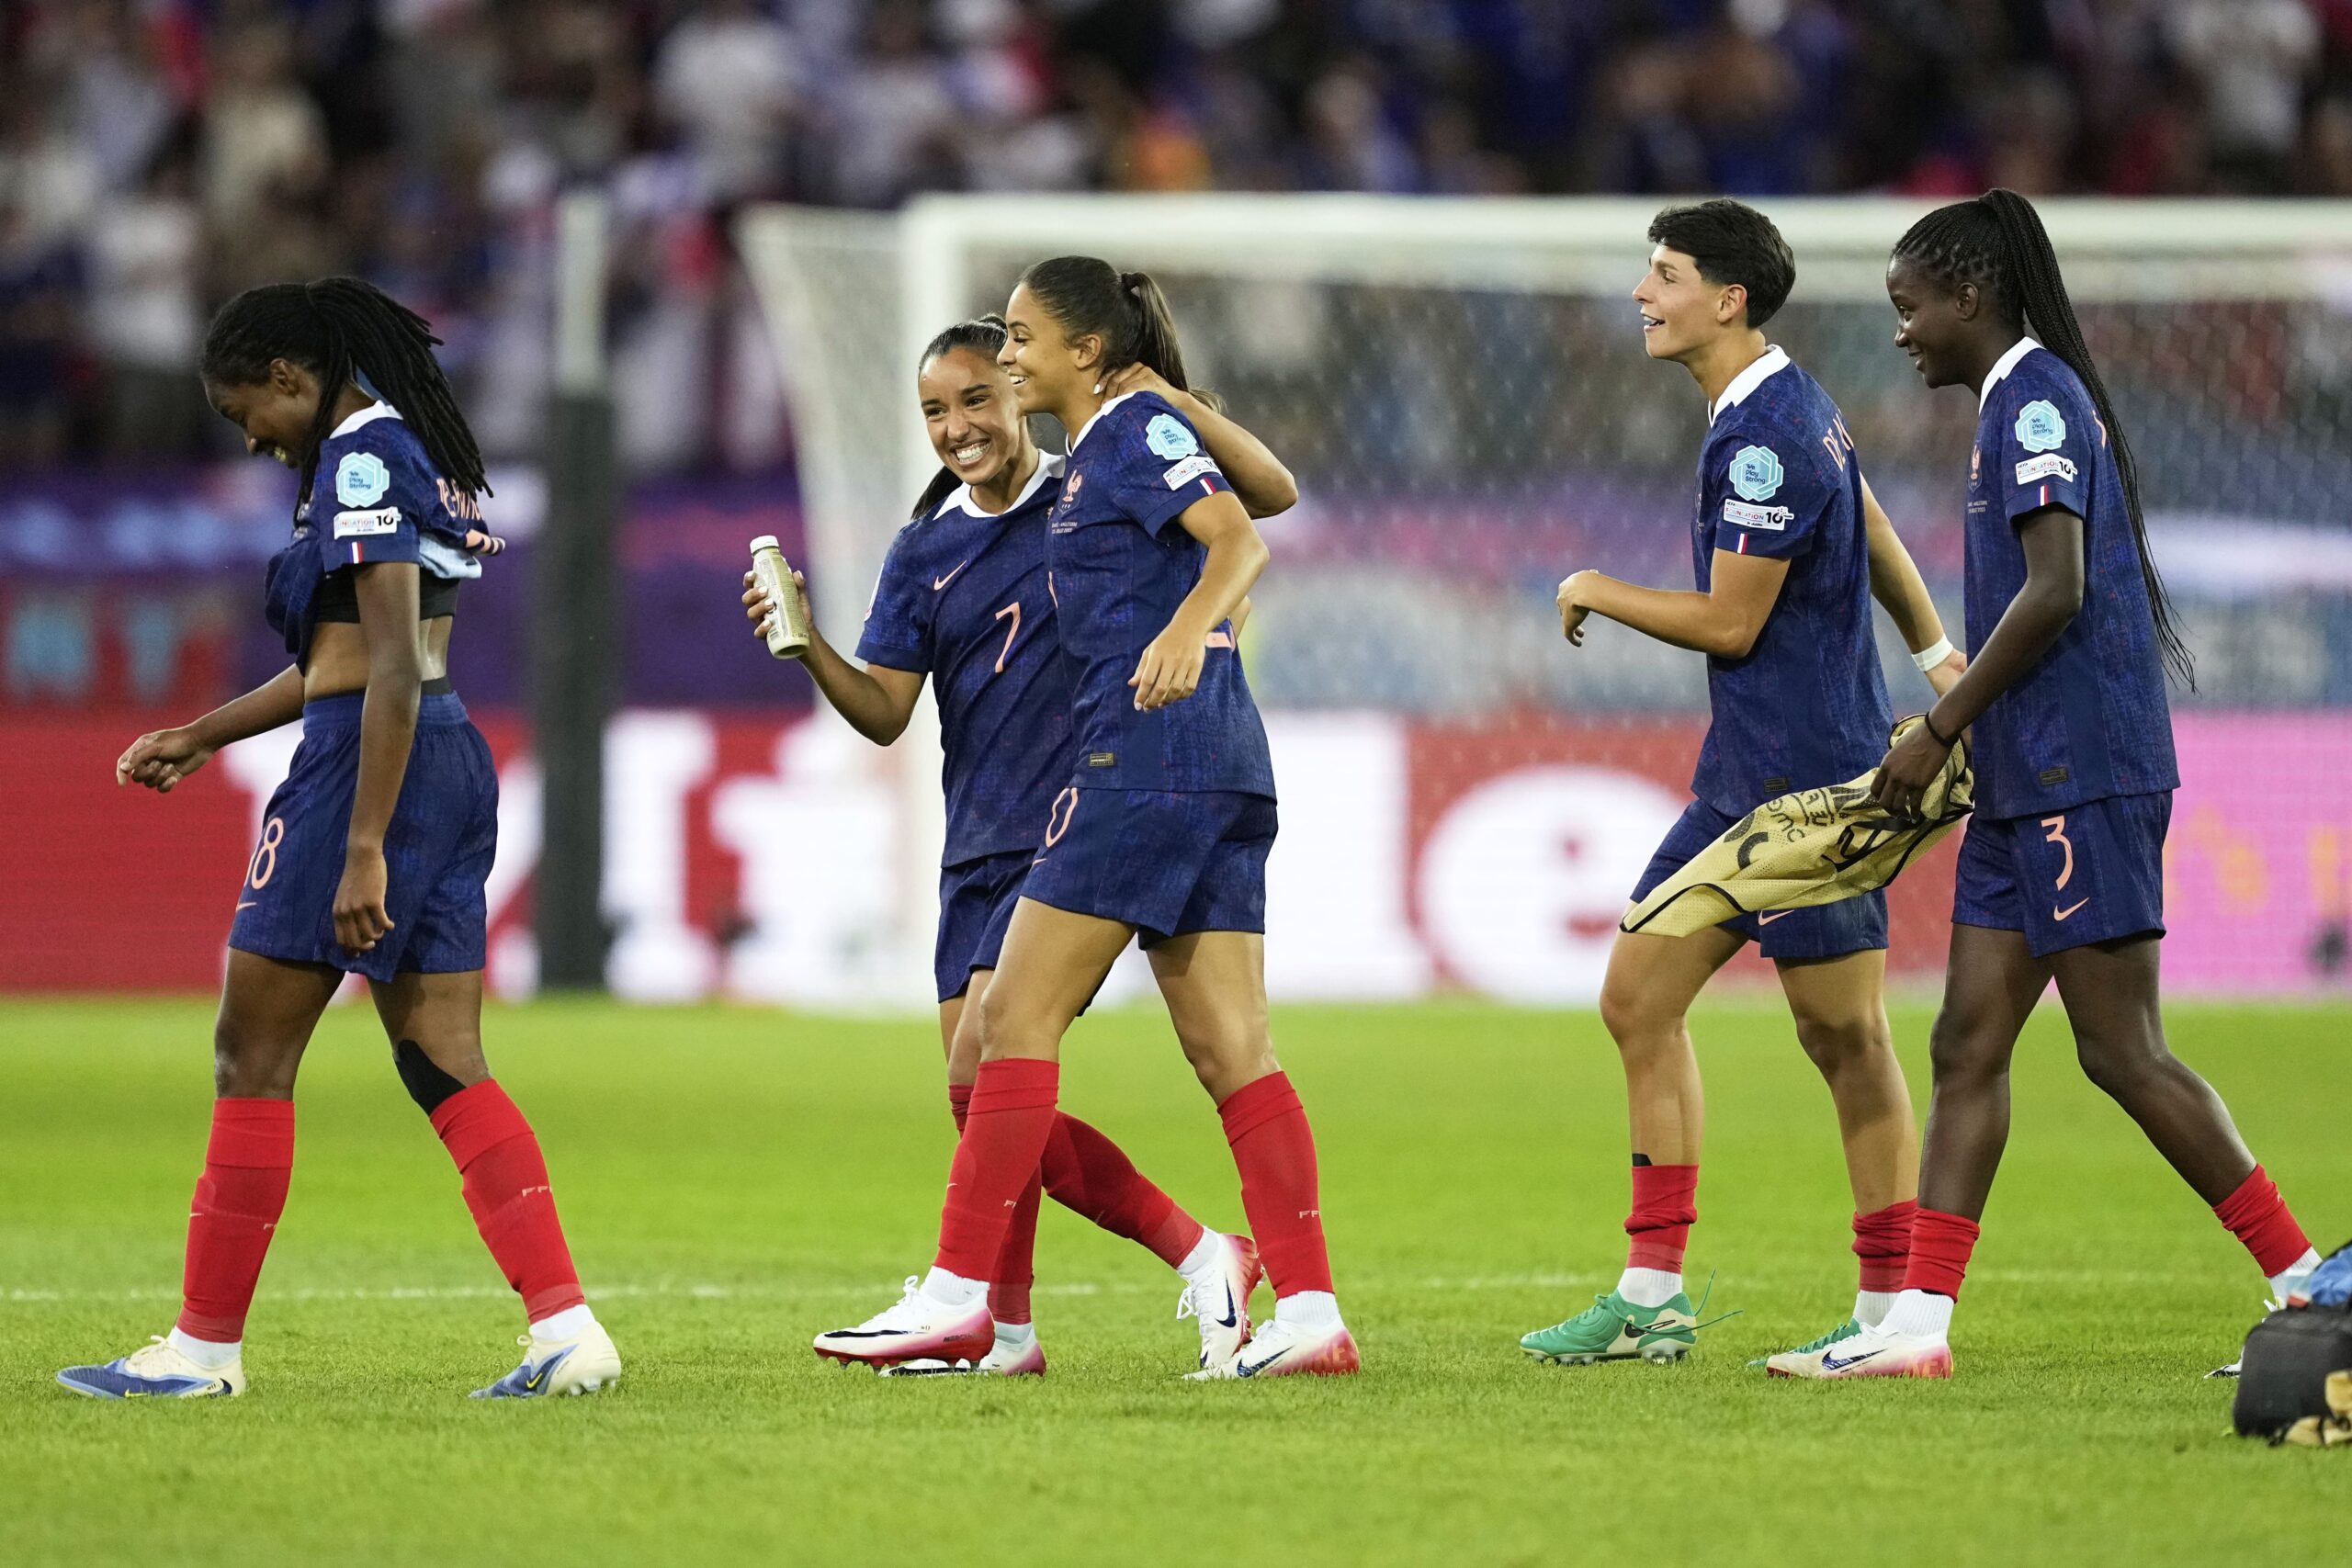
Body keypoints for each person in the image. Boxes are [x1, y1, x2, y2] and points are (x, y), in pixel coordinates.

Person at [1779, 189, 2322, 1379]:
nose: (1902, 329)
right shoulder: (2001, 407)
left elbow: (2058, 586)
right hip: (2023, 780)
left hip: (2083, 769)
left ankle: (2313, 1279)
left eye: (1909, 305)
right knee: (1967, 1040)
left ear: (1970, 295)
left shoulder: (2035, 401)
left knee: (2121, 1048)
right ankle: (1916, 1325)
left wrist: (1940, 724)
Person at [56, 279, 616, 1401]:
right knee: (441, 1055)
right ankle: (567, 1330)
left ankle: (204, 1350)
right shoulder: (398, 451)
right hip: (441, 760)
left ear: (289, 377)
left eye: (244, 414)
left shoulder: (360, 459)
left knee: (249, 1050)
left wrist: (362, 844)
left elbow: (388, 667)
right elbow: (350, 660)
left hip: (374, 766)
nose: (254, 440)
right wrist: (204, 733)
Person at [811, 257, 1358, 1379]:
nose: (1005, 356)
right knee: (1232, 1050)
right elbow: (1277, 488)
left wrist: (1185, 626)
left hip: (1142, 761)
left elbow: (1244, 540)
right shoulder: (1126, 431)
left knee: (1001, 1030)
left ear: (1083, 353)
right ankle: (1309, 1316)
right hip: (1220, 765)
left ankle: (967, 1299)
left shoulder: (1111, 439)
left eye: (1017, 339)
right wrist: (1164, 395)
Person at [1531, 199, 1966, 1370]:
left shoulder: (1762, 432)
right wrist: (1931, 652)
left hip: (1805, 792)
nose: (1642, 293)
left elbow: (1732, 621)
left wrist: (1594, 585)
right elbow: (1869, 519)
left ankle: (1889, 1314)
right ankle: (1652, 1292)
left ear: (1725, 298)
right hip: (1752, 779)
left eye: (1663, 274)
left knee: (1840, 1035)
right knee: (1643, 1000)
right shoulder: (1791, 402)